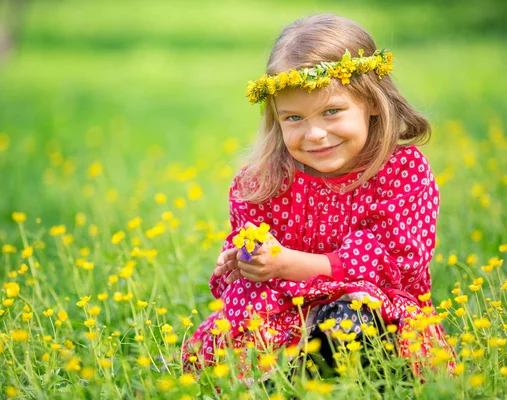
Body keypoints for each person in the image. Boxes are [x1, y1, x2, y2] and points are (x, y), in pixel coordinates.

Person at [184, 13, 454, 378]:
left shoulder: (401, 172)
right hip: (285, 317)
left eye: (331, 111)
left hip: (371, 314)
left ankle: (328, 376)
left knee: (349, 318)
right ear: (275, 117)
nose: (314, 134)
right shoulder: (264, 181)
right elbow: (252, 261)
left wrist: (284, 263)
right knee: (234, 342)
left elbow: (396, 267)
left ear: (372, 101)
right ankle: (281, 377)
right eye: (293, 118)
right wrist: (242, 262)